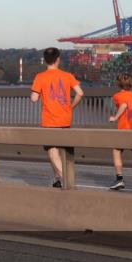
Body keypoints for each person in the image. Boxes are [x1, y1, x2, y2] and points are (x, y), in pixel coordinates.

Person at [30, 47, 84, 188]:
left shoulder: (40, 77)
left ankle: (66, 178)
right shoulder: (67, 75)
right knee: (59, 151)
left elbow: (34, 98)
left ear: (45, 60)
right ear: (58, 59)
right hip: (65, 118)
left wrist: (37, 93)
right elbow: (80, 93)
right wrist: (71, 107)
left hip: (50, 120)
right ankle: (57, 179)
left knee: (53, 152)